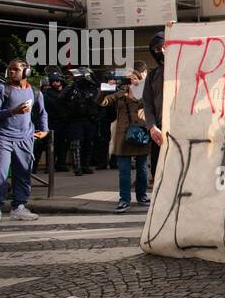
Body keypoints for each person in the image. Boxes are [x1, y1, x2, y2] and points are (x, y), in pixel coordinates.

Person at [0, 58, 47, 226]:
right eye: (10, 69)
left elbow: (42, 112)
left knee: (23, 173)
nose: (11, 72)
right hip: (2, 137)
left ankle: (19, 207)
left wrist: (44, 130)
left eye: (15, 70)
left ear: (26, 72)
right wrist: (13, 111)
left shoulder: (35, 92)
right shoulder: (0, 89)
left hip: (25, 138)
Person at [102, 72, 150, 212]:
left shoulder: (145, 94)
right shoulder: (120, 95)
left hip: (141, 135)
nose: (132, 81)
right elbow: (103, 102)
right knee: (124, 171)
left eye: (134, 78)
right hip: (123, 137)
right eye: (129, 79)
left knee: (142, 169)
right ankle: (124, 199)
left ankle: (141, 195)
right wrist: (106, 87)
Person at [62, 68, 100, 175]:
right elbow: (62, 99)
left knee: (89, 143)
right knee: (76, 143)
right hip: (76, 119)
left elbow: (99, 102)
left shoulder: (93, 88)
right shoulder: (73, 87)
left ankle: (85, 165)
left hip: (90, 119)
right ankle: (77, 167)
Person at [143, 30, 167, 185]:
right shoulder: (153, 75)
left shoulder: (187, 70)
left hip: (185, 129)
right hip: (160, 130)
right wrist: (151, 126)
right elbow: (147, 103)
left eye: (165, 46)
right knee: (159, 171)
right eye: (158, 49)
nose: (162, 51)